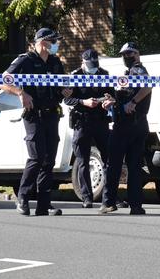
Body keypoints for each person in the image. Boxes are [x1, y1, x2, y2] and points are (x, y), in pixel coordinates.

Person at [0, 27, 72, 216]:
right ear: (42, 42)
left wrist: (65, 91)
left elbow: (61, 86)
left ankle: (44, 204)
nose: (56, 44)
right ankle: (22, 197)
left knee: (49, 160)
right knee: (37, 157)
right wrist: (20, 92)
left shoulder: (56, 62)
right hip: (34, 115)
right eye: (53, 41)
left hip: (52, 114)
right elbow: (1, 81)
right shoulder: (26, 60)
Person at [99, 42, 151, 215]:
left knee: (116, 165)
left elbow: (147, 86)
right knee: (129, 166)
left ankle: (110, 202)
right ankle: (133, 205)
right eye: (124, 54)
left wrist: (133, 102)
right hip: (132, 124)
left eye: (129, 53)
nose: (126, 57)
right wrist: (113, 102)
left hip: (130, 125)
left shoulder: (138, 70)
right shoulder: (128, 74)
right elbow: (126, 97)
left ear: (137, 54)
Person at [64, 49, 115, 208]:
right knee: (82, 160)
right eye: (90, 65)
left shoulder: (104, 74)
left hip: (101, 121)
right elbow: (67, 99)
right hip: (82, 122)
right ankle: (87, 197)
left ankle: (110, 196)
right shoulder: (75, 75)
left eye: (95, 64)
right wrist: (83, 102)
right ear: (83, 62)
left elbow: (112, 95)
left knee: (109, 159)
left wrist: (109, 101)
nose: (93, 68)